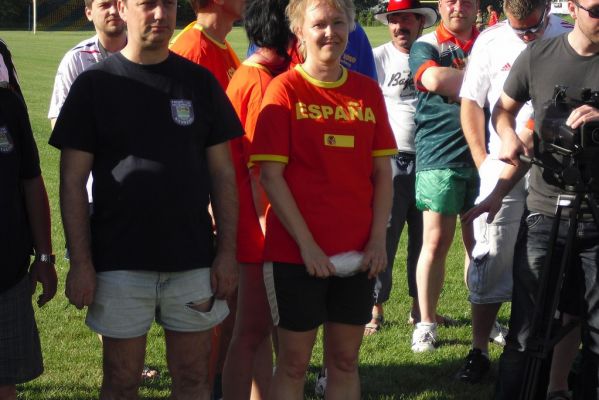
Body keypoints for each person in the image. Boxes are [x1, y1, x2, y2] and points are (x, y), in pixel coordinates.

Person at [48, 0, 243, 398]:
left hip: (191, 259)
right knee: (121, 381)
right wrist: (81, 262)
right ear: (123, 8)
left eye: (168, 4)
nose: (160, 13)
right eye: (147, 4)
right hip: (119, 261)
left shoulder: (199, 83)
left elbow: (224, 175)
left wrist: (226, 252)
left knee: (194, 378)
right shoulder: (95, 84)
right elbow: (72, 181)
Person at [249, 0, 397, 397]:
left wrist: (378, 241)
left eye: (338, 22)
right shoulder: (284, 90)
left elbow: (382, 174)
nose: (330, 32)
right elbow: (271, 178)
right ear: (299, 31)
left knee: (345, 361)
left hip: (360, 254)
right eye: (319, 25)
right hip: (295, 254)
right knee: (294, 364)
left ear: (351, 27)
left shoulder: (367, 91)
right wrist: (308, 246)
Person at [464, 0, 599, 397]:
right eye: (595, 9)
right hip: (544, 213)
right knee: (526, 331)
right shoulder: (539, 57)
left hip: (596, 220)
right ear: (572, 8)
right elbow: (504, 112)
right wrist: (503, 158)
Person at [169, 1, 245, 397]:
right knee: (211, 315)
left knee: (229, 312)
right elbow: (181, 140)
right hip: (207, 206)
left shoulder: (223, 45)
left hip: (229, 195)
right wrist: (212, 202)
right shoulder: (191, 49)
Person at [221, 0, 295, 398]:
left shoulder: (252, 75)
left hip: (250, 224)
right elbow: (258, 172)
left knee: (257, 332)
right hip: (258, 230)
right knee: (250, 333)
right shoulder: (262, 84)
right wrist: (271, 228)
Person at [408, 0, 479, 352]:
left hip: (483, 156)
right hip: (440, 154)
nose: (458, 7)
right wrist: (488, 80)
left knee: (479, 244)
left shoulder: (488, 41)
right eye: (451, 0)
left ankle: (483, 317)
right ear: (440, 5)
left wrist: (460, 81)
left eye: (467, 0)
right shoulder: (427, 44)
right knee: (436, 242)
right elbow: (434, 79)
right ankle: (426, 323)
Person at [365, 0, 437, 336]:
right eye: (394, 20)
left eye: (406, 18)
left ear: (420, 22)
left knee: (425, 239)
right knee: (385, 235)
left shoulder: (433, 55)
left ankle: (419, 308)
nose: (399, 26)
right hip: (392, 161)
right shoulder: (378, 58)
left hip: (430, 159)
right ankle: (375, 308)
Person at [0, 52, 57, 398]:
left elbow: (31, 180)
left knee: (4, 382)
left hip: (7, 274)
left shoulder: (8, 103)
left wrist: (45, 257)